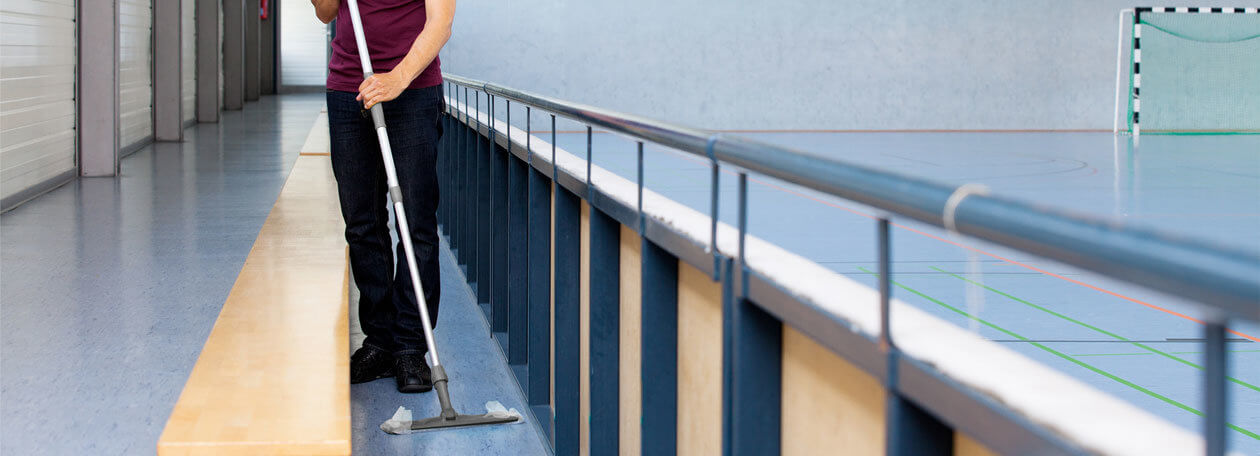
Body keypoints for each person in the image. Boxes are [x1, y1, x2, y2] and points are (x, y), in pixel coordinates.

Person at [312, 0, 454, 393]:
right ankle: (380, 341)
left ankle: (410, 347)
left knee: (416, 224)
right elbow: (325, 11)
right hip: (348, 89)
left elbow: (440, 24)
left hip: (413, 91)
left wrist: (397, 79)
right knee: (362, 223)